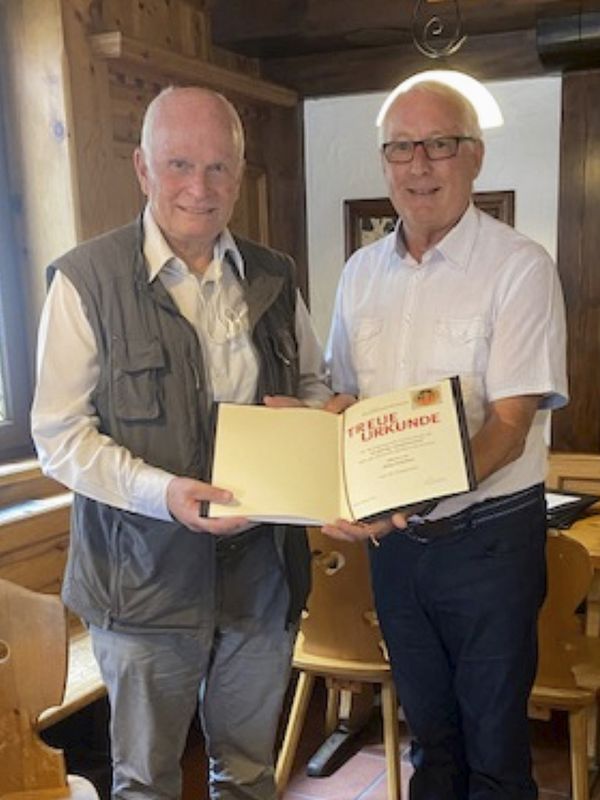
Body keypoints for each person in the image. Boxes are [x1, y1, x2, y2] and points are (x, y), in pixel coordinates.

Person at [31, 86, 331, 800]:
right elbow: (58, 437)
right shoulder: (85, 280)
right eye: (179, 165)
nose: (200, 188)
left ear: (241, 170)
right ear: (142, 169)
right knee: (146, 783)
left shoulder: (275, 275)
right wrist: (162, 494)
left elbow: (317, 387)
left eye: (219, 168)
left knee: (251, 773)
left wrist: (313, 422)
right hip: (141, 584)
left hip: (262, 573)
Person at [323, 80, 568, 799]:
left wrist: (403, 498)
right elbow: (348, 404)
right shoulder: (360, 275)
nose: (420, 164)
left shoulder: (519, 267)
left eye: (440, 144)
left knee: (494, 745)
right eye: (402, 147)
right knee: (430, 739)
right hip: (396, 550)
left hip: (488, 543)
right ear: (385, 162)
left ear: (475, 158)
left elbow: (510, 426)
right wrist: (306, 446)